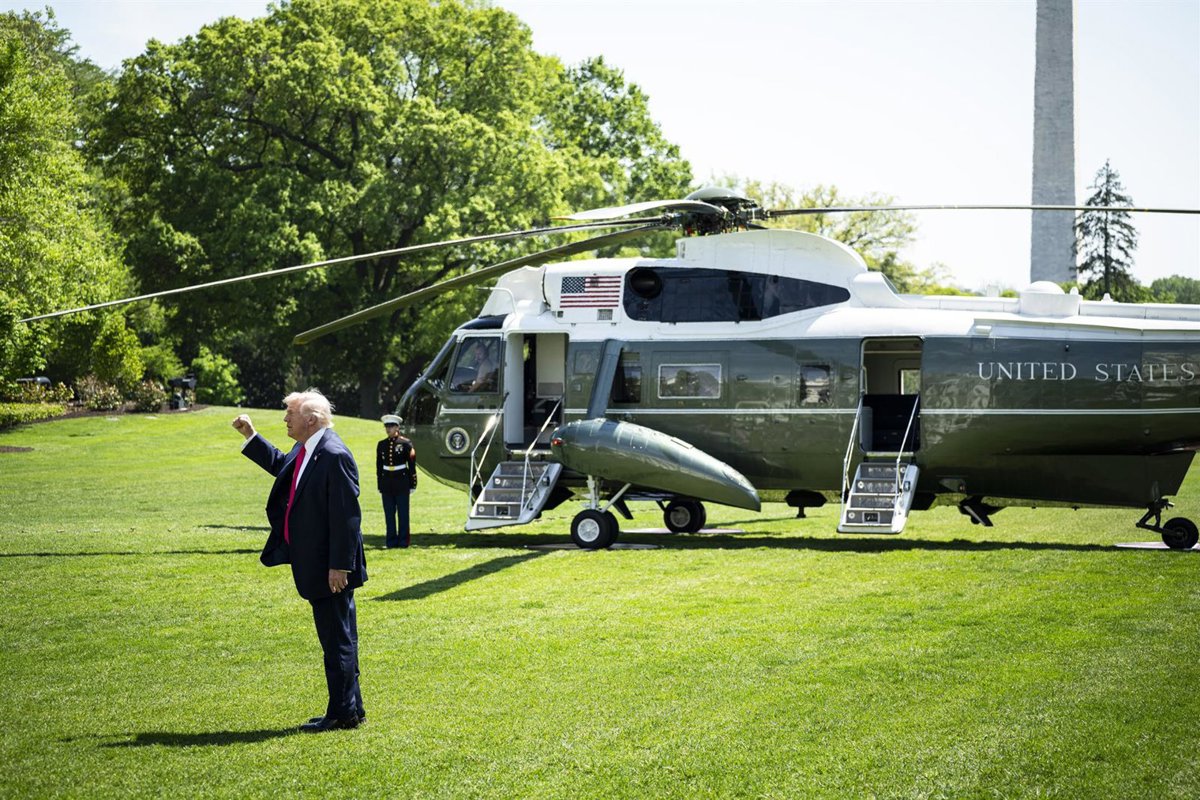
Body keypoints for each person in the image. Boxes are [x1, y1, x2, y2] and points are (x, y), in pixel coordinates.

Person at [232, 389, 367, 733]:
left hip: (330, 568)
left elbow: (347, 517)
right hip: (317, 563)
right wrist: (251, 436)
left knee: (337, 641)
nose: (285, 419)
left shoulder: (334, 454)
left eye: (290, 414)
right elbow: (283, 467)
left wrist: (340, 566)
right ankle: (351, 707)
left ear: (311, 420)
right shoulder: (306, 448)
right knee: (340, 638)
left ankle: (342, 714)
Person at [377, 414, 416, 548]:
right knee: (389, 514)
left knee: (403, 513)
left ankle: (403, 541)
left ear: (397, 427)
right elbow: (379, 466)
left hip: (401, 481)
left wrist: (413, 483)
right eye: (386, 426)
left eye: (391, 426)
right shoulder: (382, 444)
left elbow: (411, 464)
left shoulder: (405, 444)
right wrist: (380, 483)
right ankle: (391, 541)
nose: (388, 429)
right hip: (387, 482)